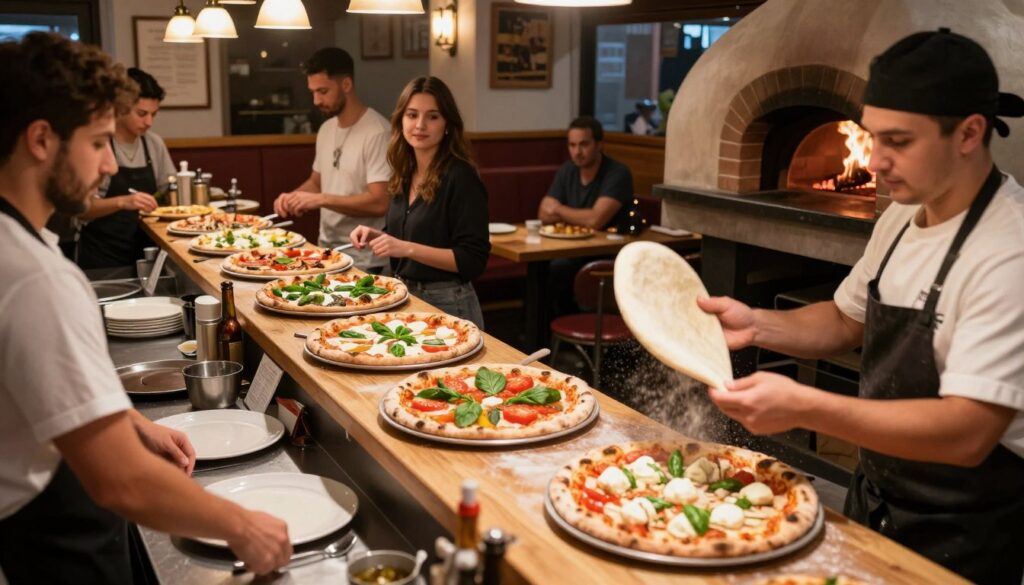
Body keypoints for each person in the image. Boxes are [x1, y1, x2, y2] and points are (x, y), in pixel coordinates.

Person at [697, 29, 1024, 585]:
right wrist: (756, 324)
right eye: (872, 137)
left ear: (969, 133)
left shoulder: (1008, 251)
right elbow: (845, 319)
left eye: (898, 141)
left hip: (964, 530)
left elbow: (968, 433)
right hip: (875, 495)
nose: (875, 160)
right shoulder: (901, 216)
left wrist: (805, 406)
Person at [0, 33, 292, 583]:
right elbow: (123, 482)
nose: (110, 163)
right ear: (41, 140)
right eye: (97, 142)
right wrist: (243, 526)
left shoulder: (22, 240)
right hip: (58, 538)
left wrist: (131, 422)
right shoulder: (37, 276)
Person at [350, 76, 489, 329]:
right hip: (404, 296)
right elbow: (409, 234)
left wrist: (405, 248)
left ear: (447, 124)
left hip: (449, 304)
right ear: (401, 120)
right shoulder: (404, 171)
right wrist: (375, 236)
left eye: (433, 116)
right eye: (412, 115)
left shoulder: (461, 176)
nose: (420, 125)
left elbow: (472, 260)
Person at [274, 47, 390, 272]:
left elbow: (380, 203)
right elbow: (316, 183)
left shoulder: (378, 132)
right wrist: (295, 197)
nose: (316, 100)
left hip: (365, 257)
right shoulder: (327, 128)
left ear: (346, 85)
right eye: (313, 92)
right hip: (326, 250)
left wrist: (321, 199)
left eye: (323, 91)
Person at [76, 67, 176, 270]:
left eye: (153, 115)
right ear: (121, 109)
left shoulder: (153, 144)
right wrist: (123, 202)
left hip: (146, 256)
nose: (148, 122)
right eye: (141, 114)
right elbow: (82, 210)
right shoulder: (101, 144)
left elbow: (169, 189)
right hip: (101, 258)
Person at [539, 116, 634, 317]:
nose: (577, 152)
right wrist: (570, 214)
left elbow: (595, 220)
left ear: (599, 144)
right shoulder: (568, 170)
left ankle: (568, 332)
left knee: (558, 268)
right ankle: (542, 337)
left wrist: (559, 209)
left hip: (607, 254)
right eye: (572, 145)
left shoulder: (617, 173)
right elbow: (542, 213)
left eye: (584, 144)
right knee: (540, 269)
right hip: (571, 249)